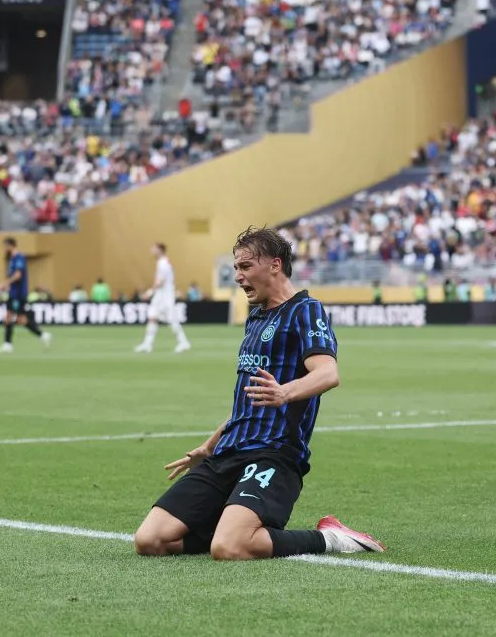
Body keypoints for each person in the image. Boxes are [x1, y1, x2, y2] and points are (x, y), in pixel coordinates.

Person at [134, 227, 384, 560]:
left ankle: (330, 538)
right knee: (150, 541)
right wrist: (209, 446)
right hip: (226, 454)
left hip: (274, 454)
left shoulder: (305, 311)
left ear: (275, 265)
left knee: (229, 548)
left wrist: (285, 392)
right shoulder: (256, 317)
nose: (238, 276)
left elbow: (328, 373)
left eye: (245, 266)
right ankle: (232, 525)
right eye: (236, 268)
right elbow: (247, 401)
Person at [0, 237, 51, 354]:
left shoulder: (19, 258)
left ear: (10, 245)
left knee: (18, 319)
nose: (4, 249)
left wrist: (4, 284)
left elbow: (18, 275)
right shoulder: (12, 259)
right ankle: (8, 344)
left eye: (5, 246)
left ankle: (41, 335)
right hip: (13, 293)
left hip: (18, 294)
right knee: (12, 318)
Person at [135, 243, 191, 354]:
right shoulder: (163, 262)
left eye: (154, 248)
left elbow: (161, 281)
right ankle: (147, 344)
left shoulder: (163, 263)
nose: (151, 250)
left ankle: (183, 342)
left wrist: (149, 292)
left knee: (171, 319)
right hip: (160, 295)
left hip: (165, 296)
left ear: (160, 250)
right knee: (152, 317)